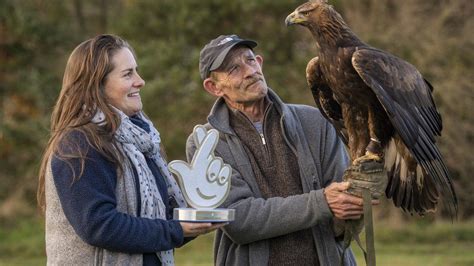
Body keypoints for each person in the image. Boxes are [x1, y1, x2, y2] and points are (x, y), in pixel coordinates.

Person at [185, 34, 383, 265]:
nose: (250, 71)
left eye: (250, 61)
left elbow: (341, 210)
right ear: (214, 87)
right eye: (233, 69)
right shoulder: (205, 143)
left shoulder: (316, 121)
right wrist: (321, 203)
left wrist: (352, 206)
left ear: (260, 62)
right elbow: (239, 220)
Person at [37, 34, 223, 265]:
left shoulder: (140, 142)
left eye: (136, 71)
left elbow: (156, 221)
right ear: (97, 85)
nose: (140, 81)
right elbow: (99, 226)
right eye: (128, 74)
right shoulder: (79, 143)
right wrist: (176, 229)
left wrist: (201, 214)